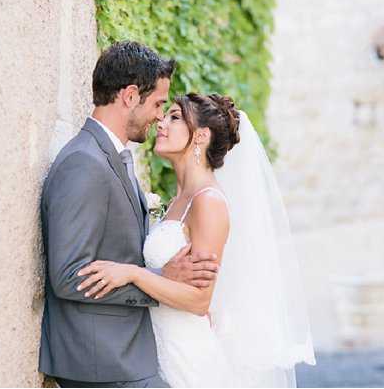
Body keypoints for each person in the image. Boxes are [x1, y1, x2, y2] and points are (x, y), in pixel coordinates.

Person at [78, 93, 316, 387]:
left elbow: (199, 300)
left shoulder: (208, 202)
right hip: (157, 349)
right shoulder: (180, 199)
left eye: (175, 117)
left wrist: (133, 273)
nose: (162, 123)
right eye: (166, 116)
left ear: (201, 136)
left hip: (186, 357)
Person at [38, 42, 219, 388]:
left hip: (129, 354)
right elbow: (68, 276)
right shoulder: (84, 164)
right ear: (130, 96)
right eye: (157, 104)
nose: (158, 117)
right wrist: (158, 280)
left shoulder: (111, 157)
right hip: (103, 361)